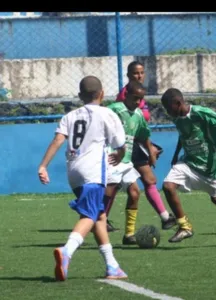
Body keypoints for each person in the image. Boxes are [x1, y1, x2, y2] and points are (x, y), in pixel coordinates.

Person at [37, 75, 128, 281]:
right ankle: (67, 251)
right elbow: (120, 144)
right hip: (93, 171)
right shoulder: (107, 113)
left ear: (79, 96)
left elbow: (58, 139)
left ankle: (112, 265)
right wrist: (121, 155)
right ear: (102, 93)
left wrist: (43, 165)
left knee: (99, 215)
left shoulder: (70, 116)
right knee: (89, 215)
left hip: (74, 172)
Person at [160, 88, 216, 246]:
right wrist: (176, 154)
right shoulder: (177, 118)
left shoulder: (200, 113)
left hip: (209, 166)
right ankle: (184, 226)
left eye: (168, 108)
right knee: (168, 186)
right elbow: (183, 136)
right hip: (188, 162)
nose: (167, 112)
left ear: (178, 103)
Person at [104, 61, 175, 235]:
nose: (140, 76)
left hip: (134, 143)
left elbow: (140, 126)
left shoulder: (139, 94)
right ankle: (101, 219)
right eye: (136, 73)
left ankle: (162, 219)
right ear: (128, 75)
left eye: (142, 72)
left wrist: (149, 146)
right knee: (124, 184)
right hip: (126, 145)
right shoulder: (124, 98)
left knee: (143, 183)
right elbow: (121, 125)